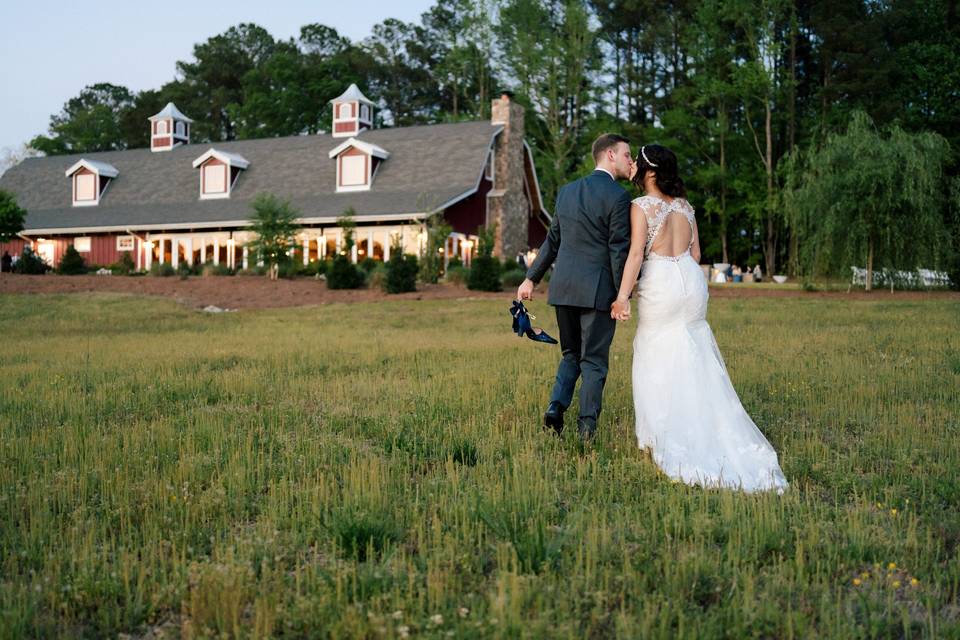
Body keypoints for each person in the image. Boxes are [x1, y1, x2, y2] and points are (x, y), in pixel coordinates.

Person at [610, 143, 788, 493]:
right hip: (691, 283)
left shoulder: (640, 207)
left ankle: (663, 434)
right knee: (695, 351)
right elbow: (696, 252)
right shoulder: (686, 207)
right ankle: (707, 420)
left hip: (662, 282)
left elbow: (634, 255)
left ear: (648, 172)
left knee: (657, 351)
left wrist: (621, 297)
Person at [517, 133, 633, 442]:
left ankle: (556, 406)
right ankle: (586, 428)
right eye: (626, 154)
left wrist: (531, 278)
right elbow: (618, 250)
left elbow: (553, 240)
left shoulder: (567, 192)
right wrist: (624, 296)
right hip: (597, 291)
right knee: (593, 360)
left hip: (563, 287)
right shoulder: (619, 197)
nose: (629, 160)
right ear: (609, 154)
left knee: (571, 354)